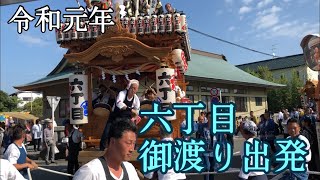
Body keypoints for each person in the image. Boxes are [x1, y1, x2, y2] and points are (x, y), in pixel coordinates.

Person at [73, 118, 140, 180]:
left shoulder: (130, 169)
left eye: (133, 143)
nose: (132, 149)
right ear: (112, 141)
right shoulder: (91, 172)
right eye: (128, 143)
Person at [100, 79, 140, 151]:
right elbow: (119, 104)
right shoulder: (122, 93)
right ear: (129, 87)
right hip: (115, 115)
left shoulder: (136, 99)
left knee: (132, 130)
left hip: (126, 117)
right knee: (108, 131)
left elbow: (137, 111)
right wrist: (131, 110)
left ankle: (133, 147)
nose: (133, 90)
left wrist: (134, 117)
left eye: (135, 88)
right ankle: (102, 148)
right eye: (132, 87)